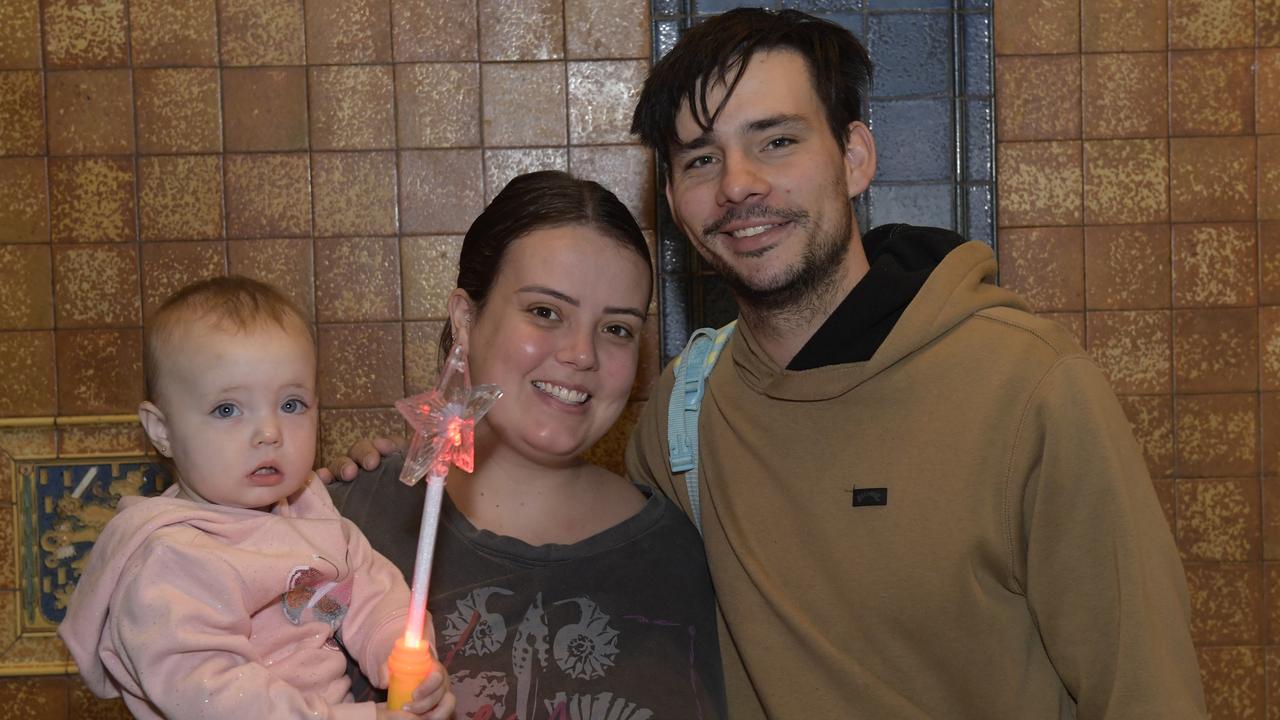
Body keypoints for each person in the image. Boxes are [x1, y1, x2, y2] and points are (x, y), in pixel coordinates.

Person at [623, 7, 1206, 719]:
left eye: (776, 140)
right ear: (678, 206)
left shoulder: (1030, 389)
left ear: (855, 157)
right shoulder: (685, 415)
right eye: (701, 159)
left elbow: (1146, 693)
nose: (738, 184)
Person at [327, 171, 727, 720]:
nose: (582, 353)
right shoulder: (342, 523)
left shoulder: (683, 560)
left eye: (617, 329)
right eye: (545, 312)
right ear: (466, 319)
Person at [58, 277, 454, 720]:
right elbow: (217, 698)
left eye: (291, 405)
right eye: (227, 410)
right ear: (162, 431)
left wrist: (406, 662)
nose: (270, 433)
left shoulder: (311, 513)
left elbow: (372, 591)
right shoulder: (171, 560)